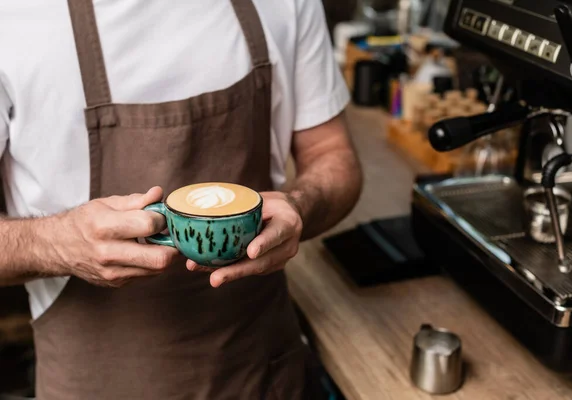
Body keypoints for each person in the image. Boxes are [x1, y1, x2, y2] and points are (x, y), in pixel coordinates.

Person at [0, 0, 362, 399]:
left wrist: (302, 206)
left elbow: (333, 154)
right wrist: (56, 243)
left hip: (261, 373)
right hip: (96, 383)